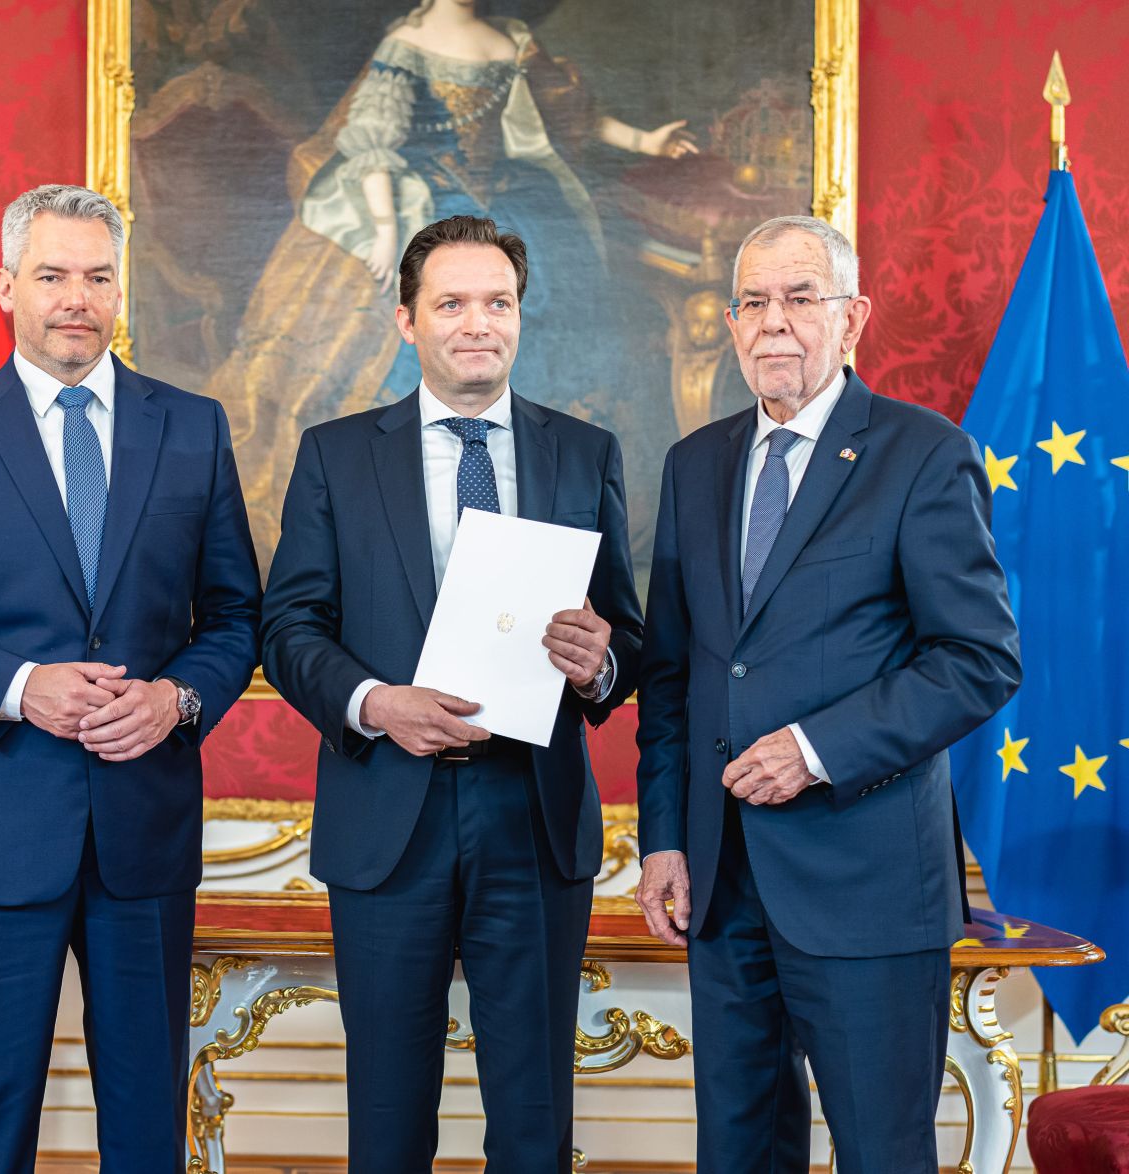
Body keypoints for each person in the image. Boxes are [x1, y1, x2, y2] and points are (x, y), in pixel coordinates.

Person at [0, 184, 261, 1173]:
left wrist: (177, 697)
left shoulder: (191, 429)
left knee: (147, 1126)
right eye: (52, 274)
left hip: (142, 833)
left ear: (121, 290)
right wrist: (18, 685)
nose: (77, 297)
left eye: (97, 276)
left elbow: (237, 617)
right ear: (5, 286)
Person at [634, 215, 1021, 1172]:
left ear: (852, 320)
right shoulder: (696, 464)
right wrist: (667, 837)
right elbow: (674, 675)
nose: (775, 323)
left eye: (801, 298)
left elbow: (978, 658)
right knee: (740, 1155)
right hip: (723, 891)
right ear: (730, 324)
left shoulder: (922, 454)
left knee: (882, 1156)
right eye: (754, 302)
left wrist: (815, 748)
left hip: (870, 886)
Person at [262, 214, 643, 1172]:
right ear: (407, 320)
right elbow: (288, 629)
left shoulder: (583, 452)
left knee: (534, 1119)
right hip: (388, 815)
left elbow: (629, 639)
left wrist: (599, 662)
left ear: (520, 317)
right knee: (388, 1119)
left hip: (535, 814)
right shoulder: (336, 454)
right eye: (452, 303)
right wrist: (373, 703)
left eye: (498, 303)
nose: (478, 323)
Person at [199, 0, 695, 556]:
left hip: (512, 204)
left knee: (549, 326)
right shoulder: (408, 43)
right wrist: (386, 229)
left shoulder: (510, 38)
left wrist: (645, 142)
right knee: (426, 324)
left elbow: (569, 116)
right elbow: (373, 142)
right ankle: (412, 517)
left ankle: (536, 523)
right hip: (427, 201)